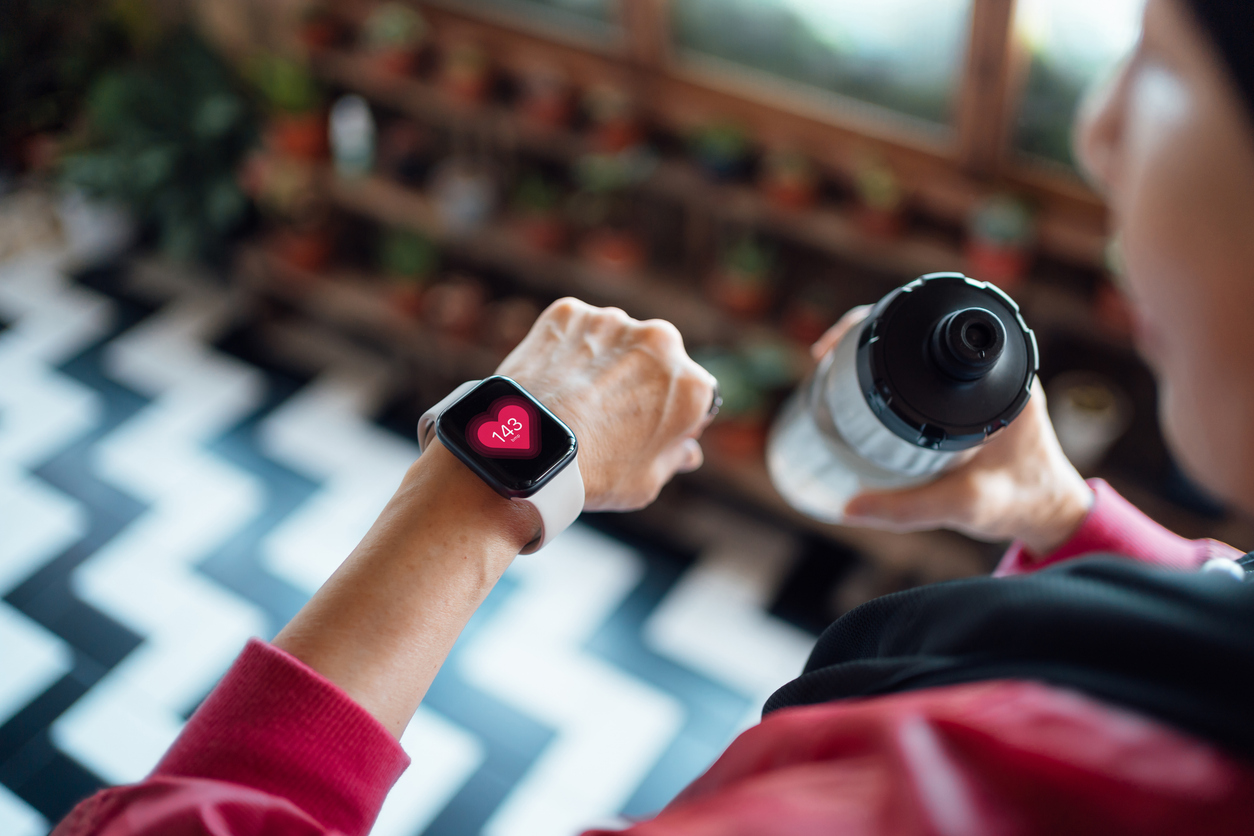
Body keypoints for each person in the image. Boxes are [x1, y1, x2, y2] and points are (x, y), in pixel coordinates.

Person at [52, 0, 1254, 833]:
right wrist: (1072, 530)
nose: (1097, 133)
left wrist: (488, 473)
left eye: (1162, 56)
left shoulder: (931, 799)